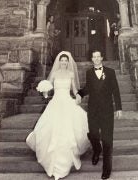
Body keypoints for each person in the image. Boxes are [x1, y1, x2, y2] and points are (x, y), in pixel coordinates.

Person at [26, 51, 90, 180]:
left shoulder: (71, 74)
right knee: (51, 129)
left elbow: (74, 90)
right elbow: (48, 88)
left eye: (66, 61)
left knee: (68, 130)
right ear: (59, 62)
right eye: (62, 60)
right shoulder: (54, 74)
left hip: (67, 101)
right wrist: (44, 91)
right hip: (55, 102)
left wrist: (78, 95)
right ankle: (53, 163)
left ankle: (65, 163)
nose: (64, 62)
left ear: (68, 62)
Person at [76, 50, 122, 179]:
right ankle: (97, 149)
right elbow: (88, 88)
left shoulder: (110, 72)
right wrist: (80, 94)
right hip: (93, 110)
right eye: (94, 57)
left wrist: (118, 108)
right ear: (91, 59)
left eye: (98, 56)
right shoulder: (89, 73)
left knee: (107, 139)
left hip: (107, 111)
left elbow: (116, 90)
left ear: (102, 57)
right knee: (93, 134)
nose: (96, 59)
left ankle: (106, 169)